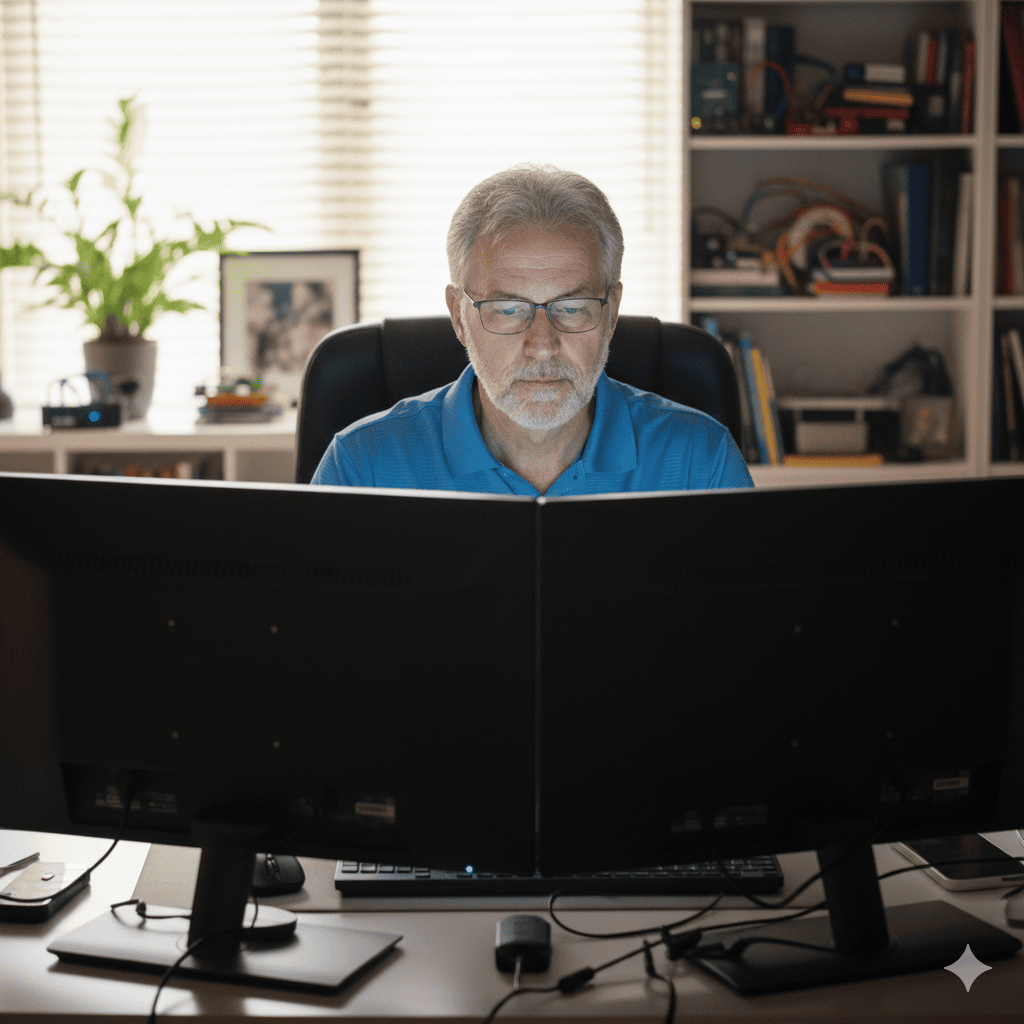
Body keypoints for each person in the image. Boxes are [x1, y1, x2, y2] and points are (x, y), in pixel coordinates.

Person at [311, 164, 753, 495]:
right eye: (507, 310)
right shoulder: (361, 467)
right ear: (459, 317)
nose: (542, 346)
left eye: (573, 308)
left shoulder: (702, 461)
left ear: (612, 312)